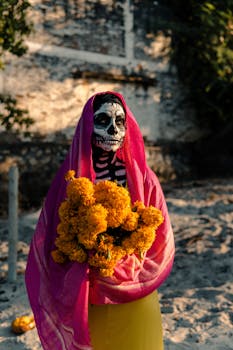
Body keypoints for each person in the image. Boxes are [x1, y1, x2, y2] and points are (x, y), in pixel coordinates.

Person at [25, 91, 175, 350]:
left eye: (120, 121)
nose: (113, 129)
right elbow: (53, 237)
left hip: (136, 287)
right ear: (88, 127)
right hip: (89, 290)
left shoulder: (143, 178)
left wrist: (129, 256)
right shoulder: (71, 182)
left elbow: (160, 236)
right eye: (103, 120)